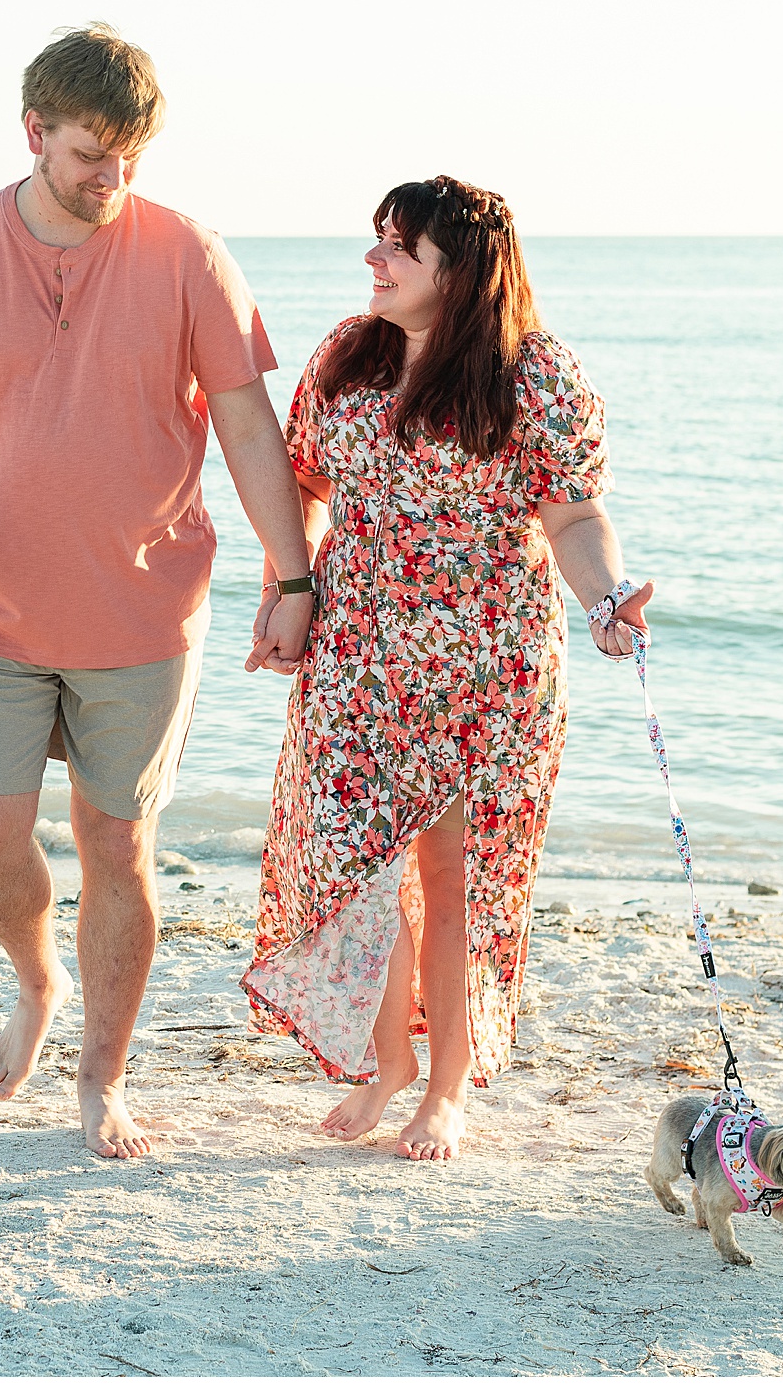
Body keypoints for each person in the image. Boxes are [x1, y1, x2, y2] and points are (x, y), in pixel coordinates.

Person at [0, 24, 316, 1159]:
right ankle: (36, 976)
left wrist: (293, 574)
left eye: (130, 158)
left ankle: (99, 1081)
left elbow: (251, 425)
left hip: (142, 613)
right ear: (33, 135)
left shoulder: (189, 255)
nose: (112, 180)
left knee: (117, 846)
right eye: (88, 156)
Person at [238, 175, 652, 1161]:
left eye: (399, 248)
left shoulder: (533, 374)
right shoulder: (347, 355)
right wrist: (284, 591)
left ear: (458, 270)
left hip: (488, 669)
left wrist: (606, 598)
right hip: (356, 658)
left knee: (458, 877)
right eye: (378, 240)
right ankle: (389, 1066)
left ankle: (446, 1092)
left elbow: (576, 512)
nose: (374, 261)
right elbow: (301, 482)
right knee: (356, 867)